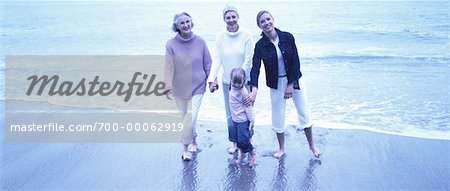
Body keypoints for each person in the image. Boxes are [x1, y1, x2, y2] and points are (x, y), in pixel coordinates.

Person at [245, 10, 321, 158]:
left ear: (273, 19)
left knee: (304, 113)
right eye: (262, 22)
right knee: (278, 116)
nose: (266, 23)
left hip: (294, 80)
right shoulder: (260, 45)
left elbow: (296, 62)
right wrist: (254, 89)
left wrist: (291, 84)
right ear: (259, 26)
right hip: (276, 83)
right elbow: (255, 68)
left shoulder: (287, 37)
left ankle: (312, 146)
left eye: (268, 19)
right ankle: (281, 148)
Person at [165, 12, 212, 161]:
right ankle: (193, 139)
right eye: (182, 23)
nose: (186, 25)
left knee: (190, 118)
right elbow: (169, 66)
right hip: (179, 87)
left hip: (198, 85)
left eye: (188, 21)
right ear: (177, 27)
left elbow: (208, 63)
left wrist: (212, 81)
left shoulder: (201, 42)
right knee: (185, 117)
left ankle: (184, 149)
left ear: (192, 23)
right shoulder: (171, 44)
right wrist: (167, 85)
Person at [207, 6, 254, 154]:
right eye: (228, 17)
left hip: (245, 82)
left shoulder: (246, 35)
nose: (231, 20)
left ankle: (248, 139)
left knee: (247, 112)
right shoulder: (220, 36)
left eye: (234, 17)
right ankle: (234, 143)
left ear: (238, 17)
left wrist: (241, 77)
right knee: (231, 114)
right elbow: (216, 59)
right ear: (224, 19)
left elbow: (248, 59)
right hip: (228, 83)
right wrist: (211, 78)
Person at [228, 67, 257, 166]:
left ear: (243, 81)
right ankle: (242, 156)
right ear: (230, 80)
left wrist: (252, 121)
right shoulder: (230, 86)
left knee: (243, 140)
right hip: (235, 119)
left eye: (239, 83)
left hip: (243, 121)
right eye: (233, 83)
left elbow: (248, 107)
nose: (236, 85)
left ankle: (253, 154)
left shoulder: (244, 92)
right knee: (237, 139)